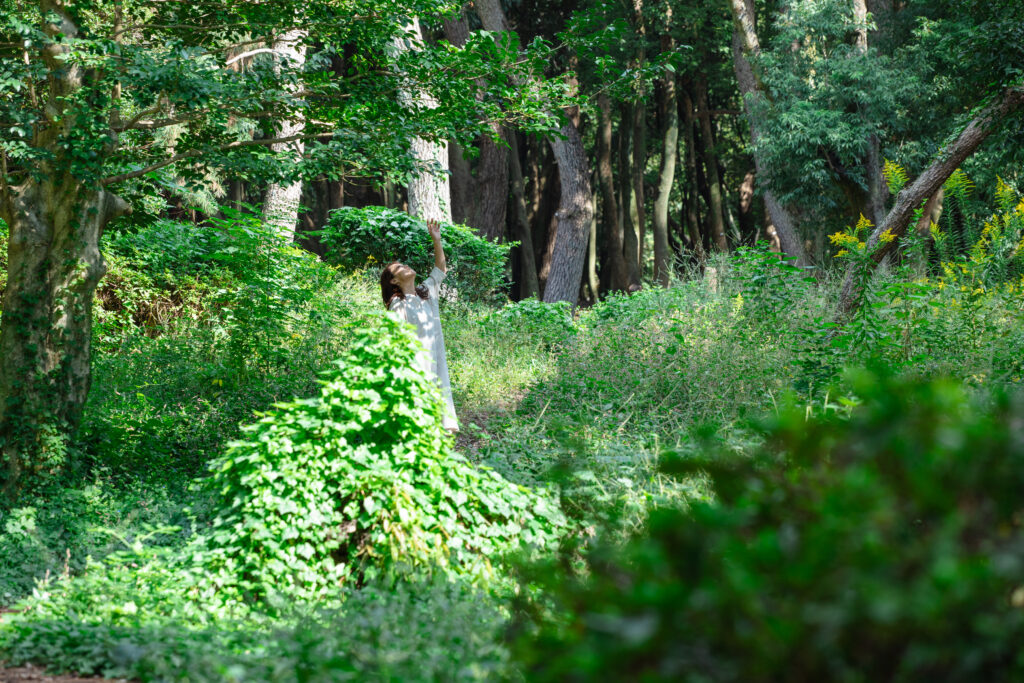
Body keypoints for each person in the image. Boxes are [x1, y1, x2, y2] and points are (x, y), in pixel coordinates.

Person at [380, 219, 459, 431]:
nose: (406, 266)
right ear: (394, 281)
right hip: (416, 368)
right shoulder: (398, 304)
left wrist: (437, 240)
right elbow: (395, 340)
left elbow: (440, 270)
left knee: (438, 420)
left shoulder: (426, 293)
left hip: (435, 362)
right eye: (399, 268)